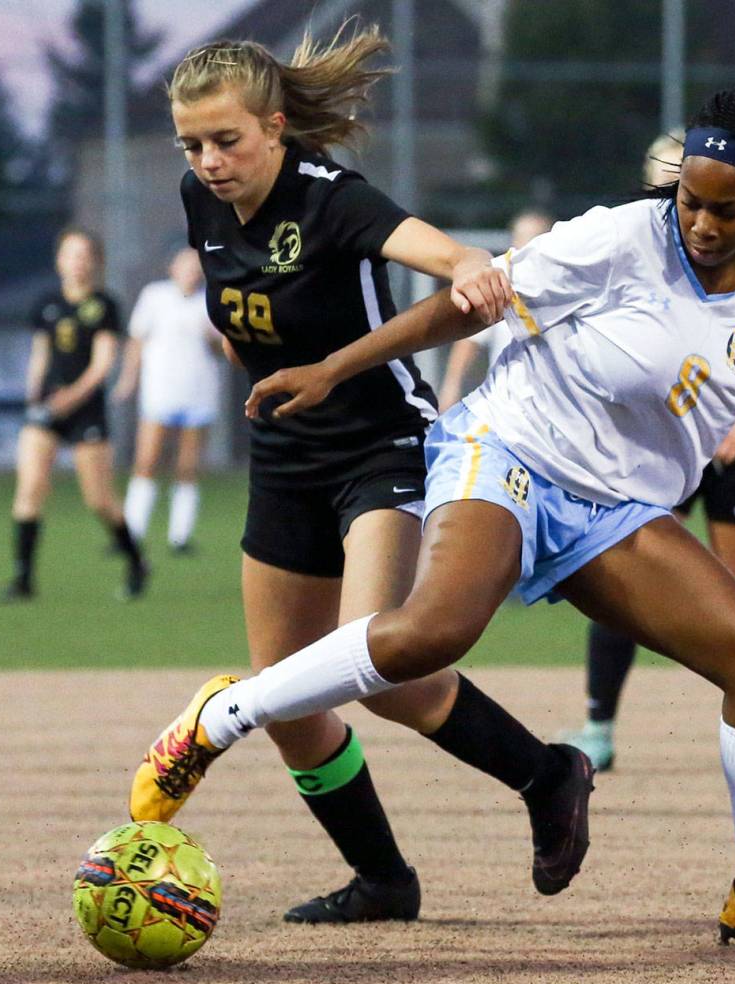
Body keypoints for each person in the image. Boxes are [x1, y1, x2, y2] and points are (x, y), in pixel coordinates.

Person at [134, 84, 735, 954]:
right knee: (430, 634)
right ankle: (221, 718)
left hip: (613, 508)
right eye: (689, 198)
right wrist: (334, 368)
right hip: (509, 450)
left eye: (727, 208)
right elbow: (470, 302)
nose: (701, 221)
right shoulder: (618, 237)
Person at [127, 28, 593, 926]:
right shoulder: (201, 199)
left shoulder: (332, 200)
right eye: (192, 144)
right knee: (291, 700)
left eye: (226, 140)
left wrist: (468, 267)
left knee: (373, 667)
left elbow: (448, 256)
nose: (209, 161)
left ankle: (548, 773)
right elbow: (239, 315)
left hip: (379, 447)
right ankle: (383, 878)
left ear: (273, 127)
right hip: (283, 458)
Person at [562, 132, 735, 772]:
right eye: (678, 194)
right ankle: (598, 728)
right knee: (624, 592)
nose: (697, 215)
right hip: (662, 452)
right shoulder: (632, 252)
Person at [1, 227, 148, 602]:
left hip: (85, 411)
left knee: (99, 499)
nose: (76, 262)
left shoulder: (104, 305)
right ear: (58, 260)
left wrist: (70, 398)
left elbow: (102, 365)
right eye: (70, 255)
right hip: (47, 408)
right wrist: (36, 394)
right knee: (30, 489)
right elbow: (41, 355)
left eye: (84, 255)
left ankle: (135, 562)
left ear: (95, 262)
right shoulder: (47, 303)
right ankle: (23, 579)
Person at [114, 247, 222, 554]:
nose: (190, 271)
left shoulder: (209, 302)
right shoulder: (154, 297)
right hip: (160, 392)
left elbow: (221, 351)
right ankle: (130, 533)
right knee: (146, 461)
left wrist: (212, 338)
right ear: (171, 267)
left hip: (198, 393)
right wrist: (128, 379)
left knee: (187, 466)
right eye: (185, 265)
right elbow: (137, 340)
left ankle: (180, 536)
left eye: (195, 266)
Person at [436, 209, 553, 412]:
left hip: (553, 404)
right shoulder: (500, 285)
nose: (524, 245)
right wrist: (451, 385)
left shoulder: (564, 288)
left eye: (533, 238)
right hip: (507, 405)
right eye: (521, 237)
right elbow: (471, 341)